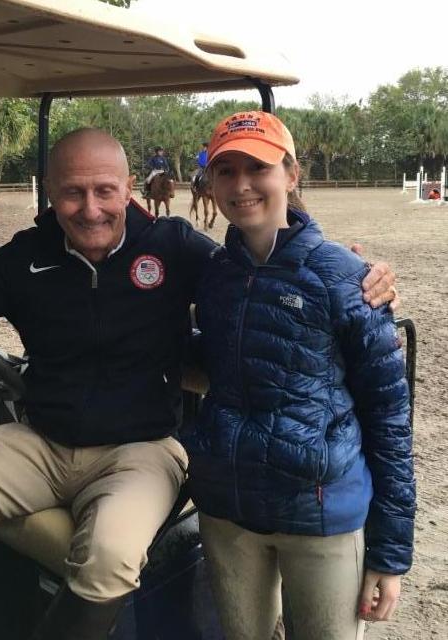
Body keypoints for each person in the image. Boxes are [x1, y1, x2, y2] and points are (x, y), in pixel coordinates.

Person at [0, 127, 397, 640]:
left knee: (108, 554)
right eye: (72, 192)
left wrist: (357, 277)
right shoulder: (27, 254)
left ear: (130, 186)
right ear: (49, 191)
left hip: (143, 448)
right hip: (38, 441)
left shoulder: (172, 245)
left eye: (105, 190)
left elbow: (262, 274)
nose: (90, 209)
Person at [186, 111, 416, 640]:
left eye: (257, 167)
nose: (241, 185)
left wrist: (390, 551)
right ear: (212, 183)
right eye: (226, 171)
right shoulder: (214, 274)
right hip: (228, 510)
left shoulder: (345, 277)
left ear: (290, 175)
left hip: (320, 514)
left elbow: (389, 418)